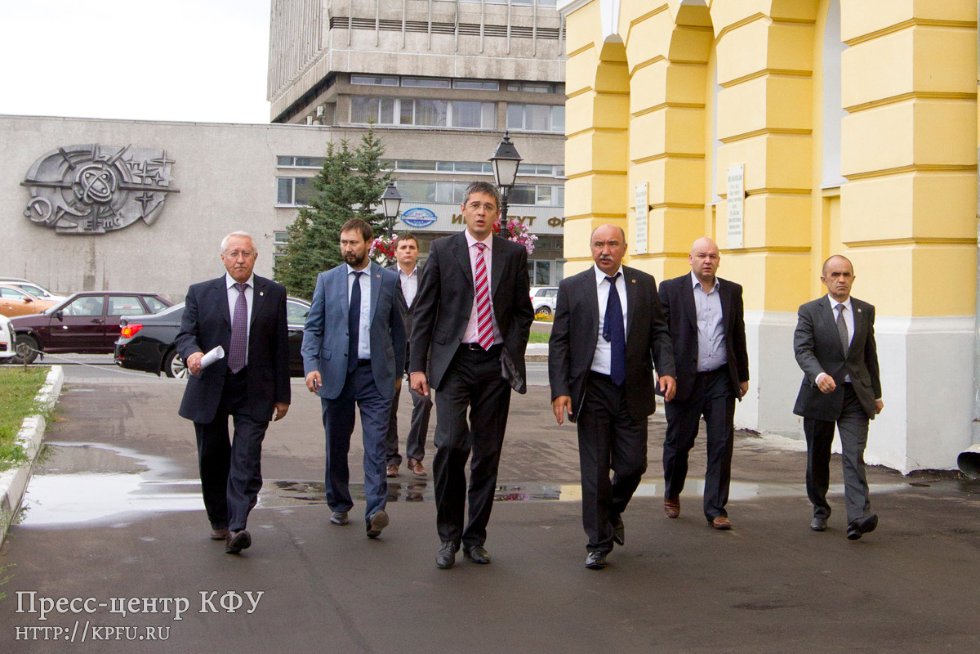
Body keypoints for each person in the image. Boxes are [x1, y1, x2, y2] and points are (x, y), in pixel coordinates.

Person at [409, 181, 534, 569]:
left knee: (487, 453)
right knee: (449, 444)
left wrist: (512, 350)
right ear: (463, 209)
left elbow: (522, 312)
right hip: (454, 362)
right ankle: (448, 535)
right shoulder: (443, 250)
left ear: (497, 214)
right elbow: (424, 311)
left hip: (495, 364)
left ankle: (475, 537)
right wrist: (416, 366)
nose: (481, 212)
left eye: (489, 207)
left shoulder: (512, 254)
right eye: (475, 205)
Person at [549, 224, 677, 570]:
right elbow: (559, 342)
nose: (605, 250)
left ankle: (611, 510)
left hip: (631, 388)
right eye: (598, 244)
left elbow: (659, 332)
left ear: (624, 248)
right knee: (594, 471)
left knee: (633, 465)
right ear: (591, 248)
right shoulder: (573, 287)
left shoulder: (643, 284)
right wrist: (560, 390)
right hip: (592, 389)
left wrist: (666, 369)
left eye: (612, 244)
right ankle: (598, 542)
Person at [176, 231, 290, 555]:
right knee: (213, 457)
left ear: (255, 257)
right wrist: (192, 353)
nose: (240, 260)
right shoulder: (201, 293)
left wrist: (283, 395)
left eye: (246, 254)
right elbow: (185, 334)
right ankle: (220, 520)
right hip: (211, 384)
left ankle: (238, 526)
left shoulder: (273, 293)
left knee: (246, 457)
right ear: (223, 258)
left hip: (254, 388)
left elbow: (280, 346)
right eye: (234, 254)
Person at [302, 218, 405, 539]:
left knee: (376, 446)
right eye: (343, 242)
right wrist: (311, 366)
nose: (347, 248)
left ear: (369, 243)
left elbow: (399, 331)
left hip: (375, 376)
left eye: (353, 243)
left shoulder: (388, 280)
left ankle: (375, 511)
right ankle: (339, 502)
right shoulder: (327, 280)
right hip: (335, 376)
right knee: (336, 444)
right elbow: (313, 328)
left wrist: (398, 372)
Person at [658, 237, 749, 530]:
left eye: (712, 256)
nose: (707, 261)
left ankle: (716, 508)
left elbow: (737, 334)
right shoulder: (671, 290)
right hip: (684, 380)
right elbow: (661, 337)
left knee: (721, 443)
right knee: (679, 443)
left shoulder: (732, 291)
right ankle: (672, 491)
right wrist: (665, 372)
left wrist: (742, 374)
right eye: (701, 255)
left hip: (720, 378)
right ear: (690, 259)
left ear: (719, 260)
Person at [793, 254, 883, 540]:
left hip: (855, 396)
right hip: (820, 394)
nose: (841, 280)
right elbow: (803, 350)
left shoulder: (865, 311)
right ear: (824, 280)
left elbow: (869, 355)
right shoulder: (810, 311)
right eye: (835, 275)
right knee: (818, 457)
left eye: (846, 274)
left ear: (853, 278)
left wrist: (876, 394)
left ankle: (858, 517)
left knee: (854, 454)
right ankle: (820, 508)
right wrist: (819, 375)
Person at [384, 234, 433, 478]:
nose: (407, 251)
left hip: (419, 350)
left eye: (412, 247)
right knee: (387, 404)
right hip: (391, 348)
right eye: (403, 247)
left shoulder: (427, 277)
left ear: (417, 252)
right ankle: (390, 458)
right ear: (395, 252)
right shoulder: (385, 277)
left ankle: (415, 456)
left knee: (423, 401)